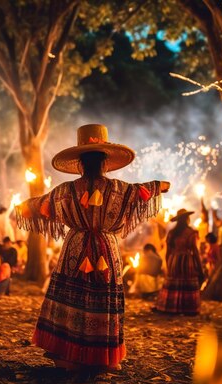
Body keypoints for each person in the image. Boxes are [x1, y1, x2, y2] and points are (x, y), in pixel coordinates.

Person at [16, 124, 170, 371]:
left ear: (80, 163)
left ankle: (67, 356)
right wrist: (160, 185)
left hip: (74, 248)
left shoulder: (65, 191)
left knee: (72, 297)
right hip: (107, 249)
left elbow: (37, 205)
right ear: (105, 162)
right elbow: (145, 190)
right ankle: (104, 358)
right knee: (102, 299)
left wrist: (22, 207)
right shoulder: (120, 189)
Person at [155, 208, 203, 314]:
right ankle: (187, 309)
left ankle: (171, 307)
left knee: (174, 282)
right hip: (186, 260)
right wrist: (200, 268)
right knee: (186, 282)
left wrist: (169, 264)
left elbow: (168, 251)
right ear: (187, 219)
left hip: (174, 260)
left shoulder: (172, 233)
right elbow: (195, 251)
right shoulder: (191, 232)